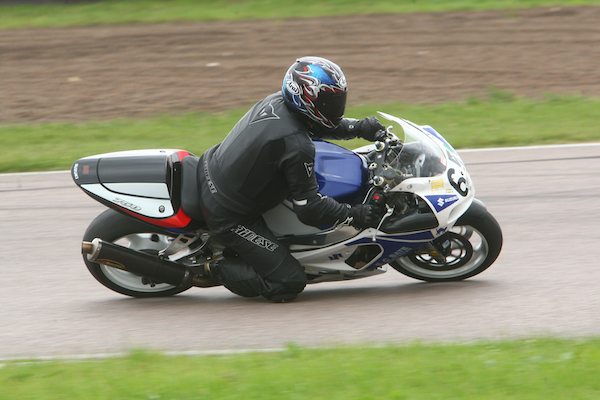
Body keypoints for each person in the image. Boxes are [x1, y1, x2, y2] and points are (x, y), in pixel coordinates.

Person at [197, 56, 385, 302]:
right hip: (228, 213)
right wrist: (354, 214)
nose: (335, 106)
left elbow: (316, 124)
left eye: (337, 99)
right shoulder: (297, 145)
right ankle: (209, 269)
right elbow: (310, 209)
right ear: (306, 98)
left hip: (214, 168)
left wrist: (358, 128)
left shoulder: (278, 102)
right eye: (328, 101)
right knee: (288, 282)